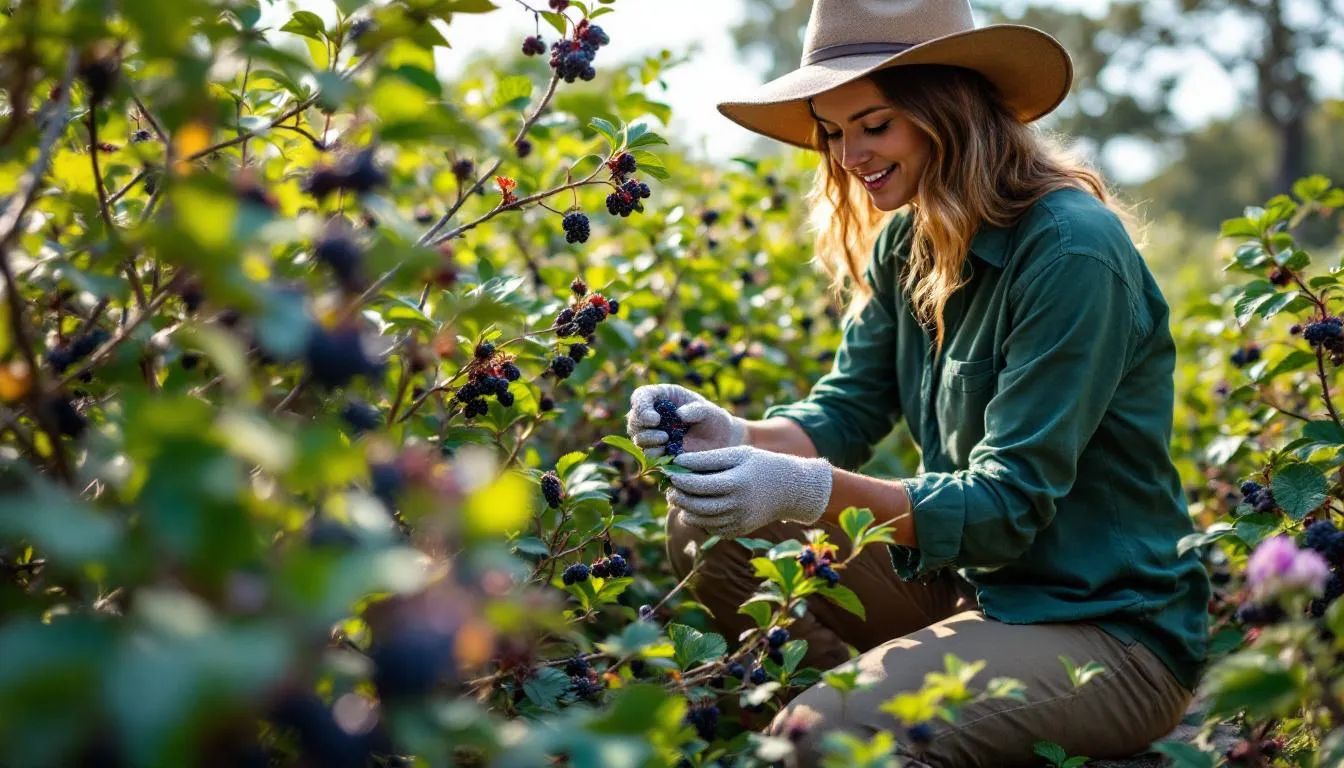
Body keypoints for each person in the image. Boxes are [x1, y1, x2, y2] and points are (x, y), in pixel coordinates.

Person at [622, 1, 1211, 766]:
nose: (847, 156)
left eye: (874, 124)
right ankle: (877, 722)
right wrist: (731, 437)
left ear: (951, 111)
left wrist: (804, 489)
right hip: (969, 589)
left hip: (1104, 628)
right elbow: (846, 409)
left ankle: (853, 727)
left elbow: (1007, 507)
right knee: (708, 527)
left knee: (823, 738)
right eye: (832, 132)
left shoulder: (1072, 253)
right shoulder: (911, 235)